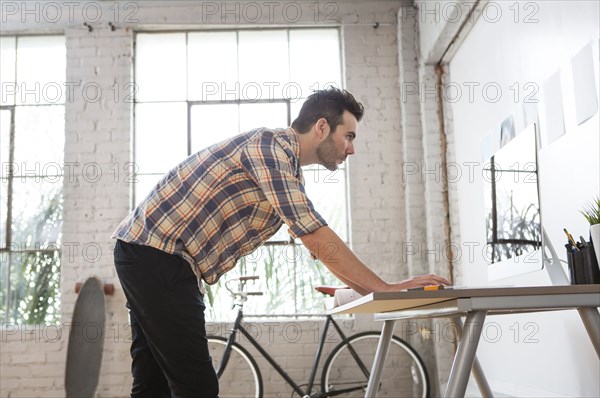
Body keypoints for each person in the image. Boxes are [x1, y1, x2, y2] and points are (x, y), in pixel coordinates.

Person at [112, 87, 450, 397]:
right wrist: (385, 288)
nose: (352, 148)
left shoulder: (287, 169)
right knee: (195, 384)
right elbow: (315, 234)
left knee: (153, 383)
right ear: (321, 127)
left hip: (148, 255)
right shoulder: (269, 148)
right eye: (348, 136)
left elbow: (313, 243)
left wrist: (356, 288)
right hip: (156, 254)